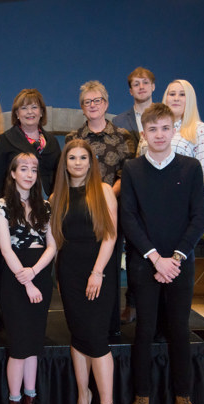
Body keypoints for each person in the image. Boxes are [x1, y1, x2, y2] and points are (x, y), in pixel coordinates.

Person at [121, 103, 204, 404]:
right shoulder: (131, 169)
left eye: (165, 128)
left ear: (174, 130)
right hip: (145, 264)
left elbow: (199, 217)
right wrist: (155, 258)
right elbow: (128, 217)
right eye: (152, 129)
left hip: (180, 264)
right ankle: (141, 398)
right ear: (144, 134)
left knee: (178, 330)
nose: (159, 134)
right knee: (143, 331)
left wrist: (174, 258)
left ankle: (183, 399)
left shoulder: (191, 168)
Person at [51, 139, 119, 404]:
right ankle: (83, 395)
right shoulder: (57, 197)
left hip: (97, 273)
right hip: (68, 273)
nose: (77, 162)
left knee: (96, 339)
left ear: (91, 162)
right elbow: (54, 242)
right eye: (72, 157)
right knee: (77, 336)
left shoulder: (103, 191)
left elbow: (110, 236)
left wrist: (97, 272)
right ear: (65, 163)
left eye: (83, 157)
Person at [0, 152, 56, 404]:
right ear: (13, 173)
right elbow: (6, 250)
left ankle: (31, 401)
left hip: (40, 277)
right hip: (15, 281)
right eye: (23, 169)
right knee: (19, 347)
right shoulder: (2, 206)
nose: (29, 174)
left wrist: (35, 273)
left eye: (34, 169)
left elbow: (52, 246)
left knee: (33, 345)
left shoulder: (45, 206)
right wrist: (26, 281)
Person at [65, 80, 136, 334]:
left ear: (105, 104)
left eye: (97, 101)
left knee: (109, 267)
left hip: (110, 206)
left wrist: (102, 196)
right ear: (82, 107)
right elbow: (69, 174)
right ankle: (82, 321)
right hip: (79, 211)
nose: (92, 105)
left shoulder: (122, 136)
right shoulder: (74, 138)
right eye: (87, 102)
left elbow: (125, 175)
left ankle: (109, 324)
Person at [137, 80, 204, 203]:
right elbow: (138, 169)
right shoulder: (149, 126)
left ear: (190, 99)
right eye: (172, 94)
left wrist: (196, 213)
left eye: (182, 94)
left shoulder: (199, 129)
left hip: (182, 204)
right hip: (148, 201)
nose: (176, 98)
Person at [0, 88, 61, 200]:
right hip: (15, 204)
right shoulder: (4, 140)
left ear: (41, 112)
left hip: (50, 202)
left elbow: (60, 176)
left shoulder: (52, 142)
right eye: (24, 108)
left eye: (34, 107)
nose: (30, 112)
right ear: (17, 113)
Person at [112, 67, 156, 146]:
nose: (141, 87)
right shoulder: (118, 122)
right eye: (136, 84)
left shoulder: (167, 116)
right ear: (131, 91)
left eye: (145, 82)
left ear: (153, 87)